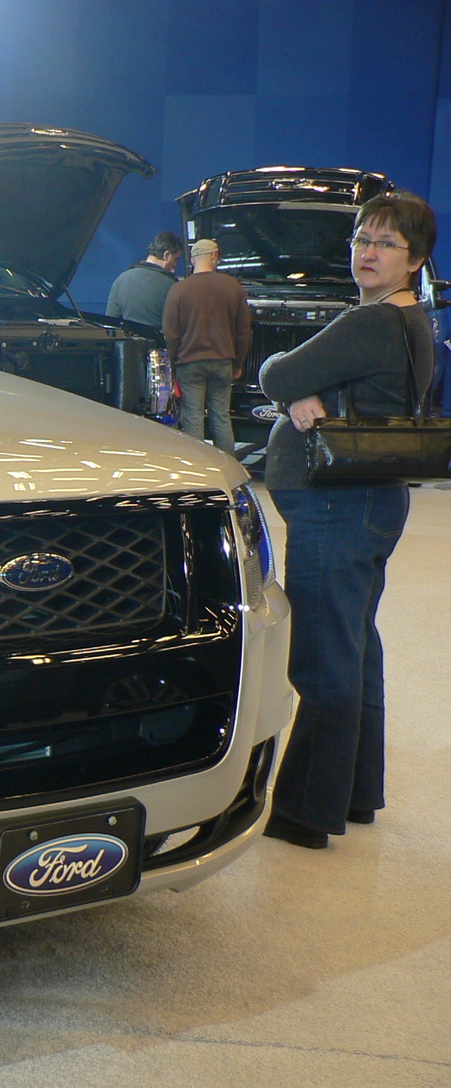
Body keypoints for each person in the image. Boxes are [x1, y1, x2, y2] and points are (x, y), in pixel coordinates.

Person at [257, 191, 436, 849]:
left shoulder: (369, 324)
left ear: (415, 258)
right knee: (356, 650)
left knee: (326, 661)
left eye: (386, 244)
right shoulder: (416, 322)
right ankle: (355, 793)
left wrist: (300, 387)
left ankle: (307, 812)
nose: (368, 253)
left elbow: (275, 370)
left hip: (340, 504)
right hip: (373, 499)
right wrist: (314, 391)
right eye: (363, 239)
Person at [162, 238, 251, 454]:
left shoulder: (179, 289)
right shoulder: (233, 286)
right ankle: (229, 469)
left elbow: (171, 333)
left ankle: (199, 470)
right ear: (214, 257)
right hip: (223, 362)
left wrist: (171, 367)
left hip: (189, 364)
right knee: (221, 417)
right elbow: (243, 331)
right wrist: (238, 363)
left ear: (192, 260)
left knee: (193, 418)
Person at [106, 231, 182, 329]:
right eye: (176, 259)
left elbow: (111, 323)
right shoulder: (172, 285)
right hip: (160, 343)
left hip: (128, 342)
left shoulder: (121, 280)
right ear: (166, 255)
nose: (175, 264)